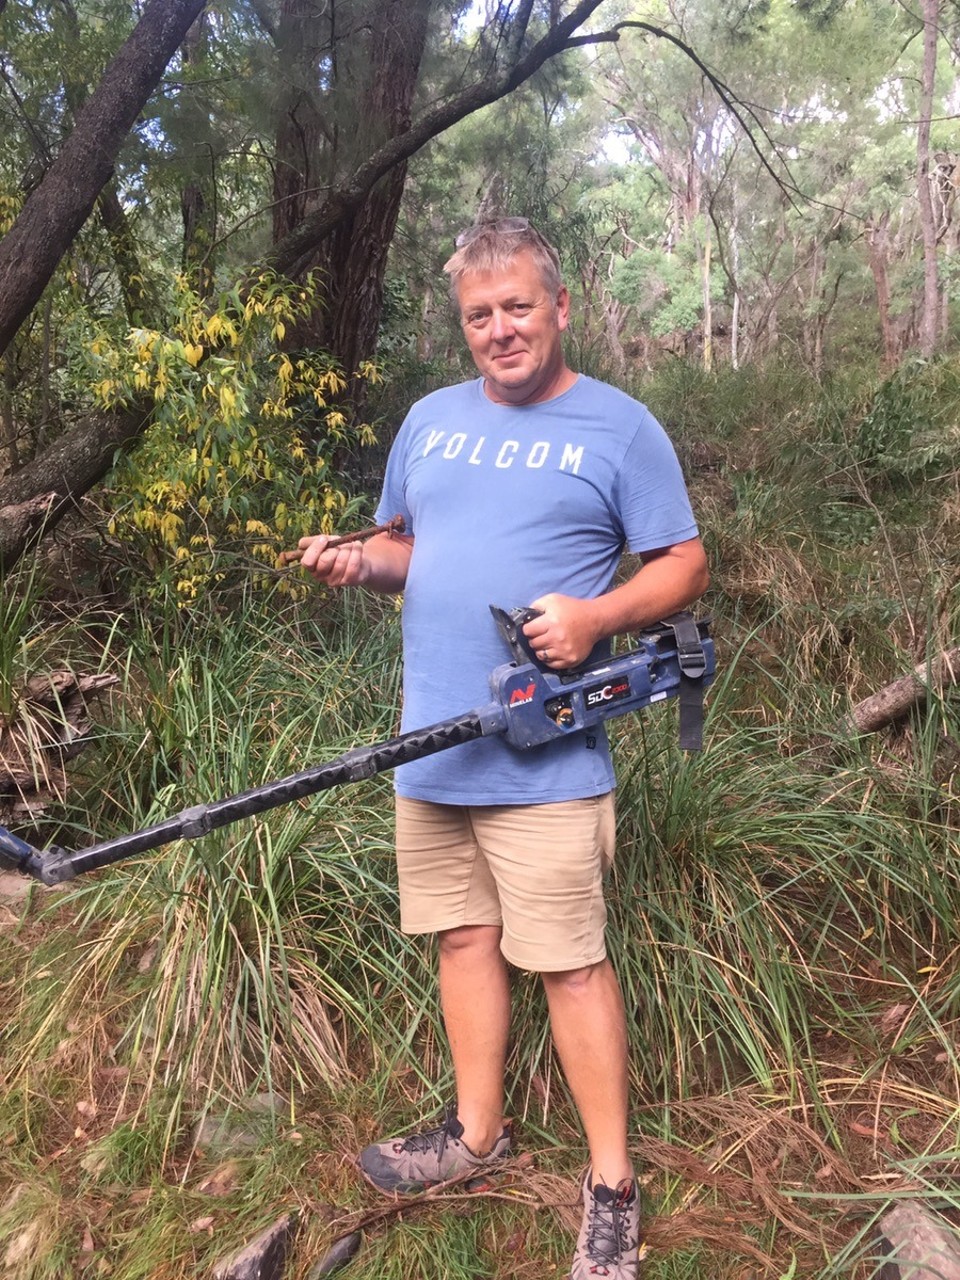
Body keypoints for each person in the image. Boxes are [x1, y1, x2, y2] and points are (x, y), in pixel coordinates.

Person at [298, 217, 708, 1280]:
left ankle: (610, 1184)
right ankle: (477, 1136)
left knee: (569, 962)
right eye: (480, 315)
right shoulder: (430, 421)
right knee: (462, 940)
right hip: (431, 742)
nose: (500, 330)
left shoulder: (620, 428)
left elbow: (684, 562)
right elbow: (403, 544)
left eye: (517, 306)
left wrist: (596, 614)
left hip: (549, 748)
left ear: (559, 307)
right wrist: (358, 559)